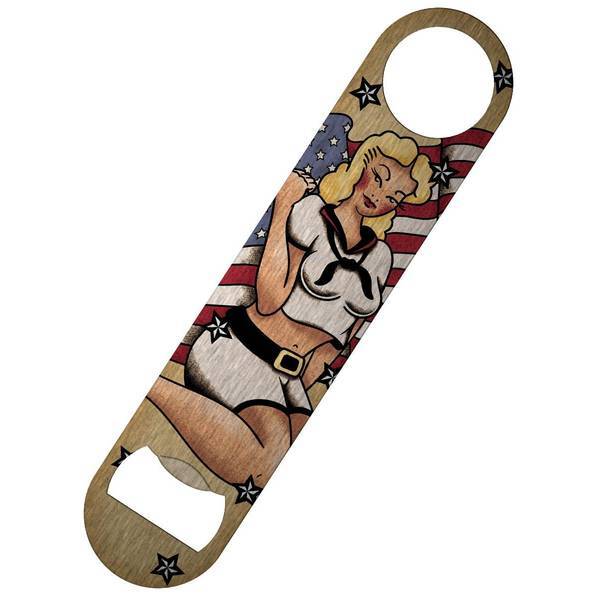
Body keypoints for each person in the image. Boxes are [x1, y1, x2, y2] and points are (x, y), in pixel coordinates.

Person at [147, 131, 433, 490]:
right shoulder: (310, 213)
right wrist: (283, 204)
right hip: (240, 350)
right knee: (264, 462)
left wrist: (296, 397)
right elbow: (269, 300)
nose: (380, 196)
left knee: (288, 460)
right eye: (378, 177)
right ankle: (152, 388)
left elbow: (336, 342)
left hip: (291, 379)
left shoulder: (381, 257)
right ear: (361, 165)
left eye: (394, 197)